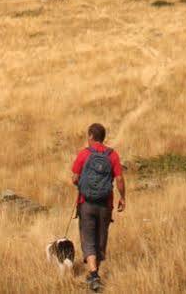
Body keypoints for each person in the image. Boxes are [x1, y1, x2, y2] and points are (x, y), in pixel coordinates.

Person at [71, 123, 125, 291]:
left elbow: (74, 177)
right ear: (103, 137)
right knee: (100, 239)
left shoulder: (84, 154)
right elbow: (120, 179)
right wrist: (123, 198)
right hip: (105, 204)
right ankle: (95, 274)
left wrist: (82, 186)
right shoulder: (112, 155)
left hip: (86, 203)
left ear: (91, 136)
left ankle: (93, 275)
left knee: (88, 239)